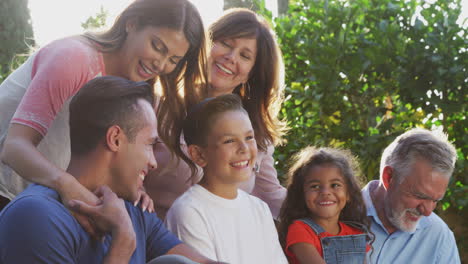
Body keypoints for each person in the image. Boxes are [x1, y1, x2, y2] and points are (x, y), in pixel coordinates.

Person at [0, 0, 207, 220]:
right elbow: (13, 147)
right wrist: (67, 186)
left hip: (41, 203)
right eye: (157, 46)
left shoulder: (137, 92)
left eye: (173, 60)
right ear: (132, 24)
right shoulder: (74, 59)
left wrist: (135, 189)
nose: (161, 64)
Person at [0, 76, 217, 264]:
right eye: (150, 144)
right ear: (115, 139)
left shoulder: (134, 211)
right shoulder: (38, 216)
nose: (153, 162)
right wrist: (123, 242)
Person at [145, 7, 287, 219]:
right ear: (205, 45)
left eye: (245, 56)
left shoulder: (255, 134)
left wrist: (330, 201)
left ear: (251, 74)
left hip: (219, 243)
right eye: (226, 44)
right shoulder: (156, 107)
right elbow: (125, 176)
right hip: (155, 239)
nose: (231, 57)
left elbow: (271, 195)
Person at [165, 94, 288, 263]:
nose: (244, 148)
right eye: (229, 141)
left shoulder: (259, 209)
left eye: (249, 137)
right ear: (198, 154)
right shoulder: (189, 211)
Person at [362, 128, 460, 263]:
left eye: (435, 200)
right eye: (420, 195)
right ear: (389, 177)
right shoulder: (334, 214)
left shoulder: (439, 237)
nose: (427, 211)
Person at [278, 147, 372, 264]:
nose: (325, 192)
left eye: (335, 185)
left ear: (349, 194)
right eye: (315, 186)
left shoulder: (356, 233)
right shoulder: (300, 229)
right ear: (301, 194)